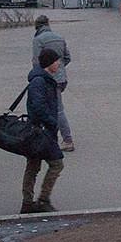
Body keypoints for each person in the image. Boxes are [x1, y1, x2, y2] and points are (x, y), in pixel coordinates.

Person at [21, 47, 66, 213]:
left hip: (40, 131)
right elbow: (38, 106)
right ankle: (42, 199)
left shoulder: (42, 79)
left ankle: (28, 202)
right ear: (50, 63)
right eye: (56, 61)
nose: (59, 64)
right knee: (56, 164)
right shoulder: (40, 81)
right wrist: (51, 122)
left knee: (33, 166)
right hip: (41, 132)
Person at [30, 16, 77, 152]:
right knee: (55, 108)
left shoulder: (38, 40)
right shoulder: (59, 37)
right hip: (61, 78)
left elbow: (36, 62)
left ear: (37, 26)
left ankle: (67, 139)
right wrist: (60, 68)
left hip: (48, 79)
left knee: (56, 109)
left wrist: (36, 76)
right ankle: (55, 137)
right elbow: (67, 57)